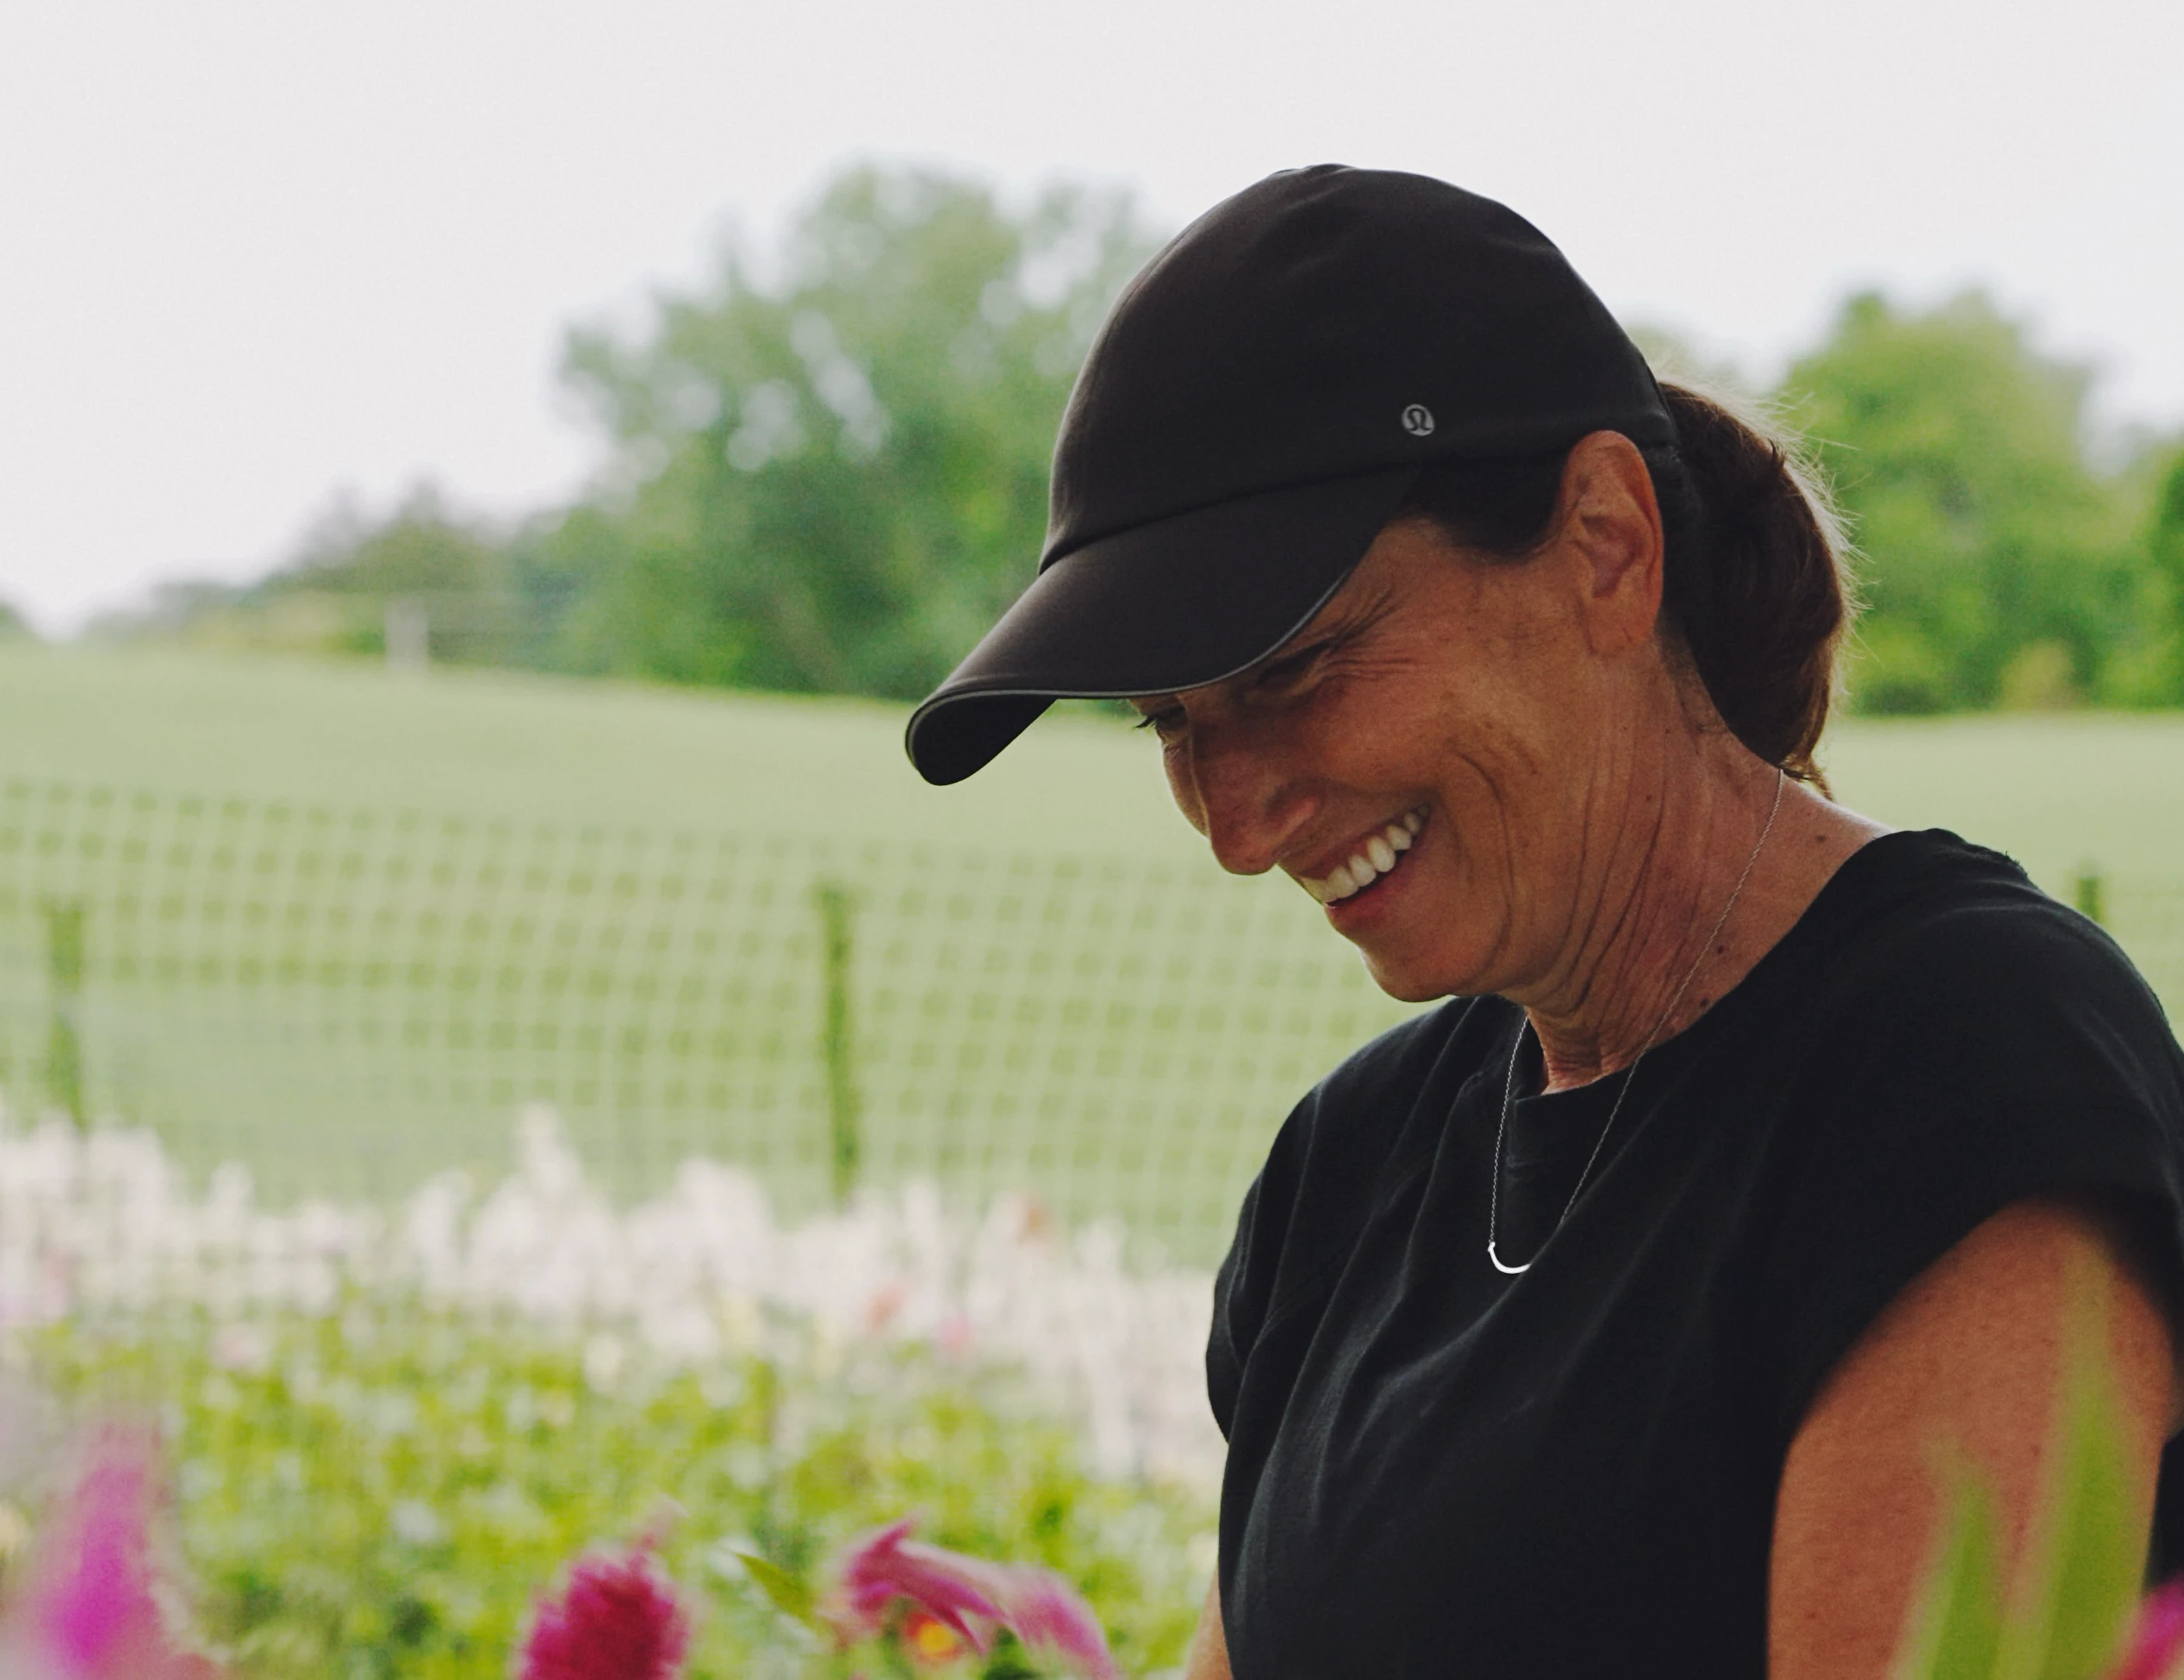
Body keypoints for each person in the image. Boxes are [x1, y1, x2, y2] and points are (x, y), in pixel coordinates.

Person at [904, 167, 2184, 1678]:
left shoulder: (1956, 1068)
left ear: (1602, 543)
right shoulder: (1353, 1162)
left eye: (1295, 666)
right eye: (1167, 719)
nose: (1233, 825)